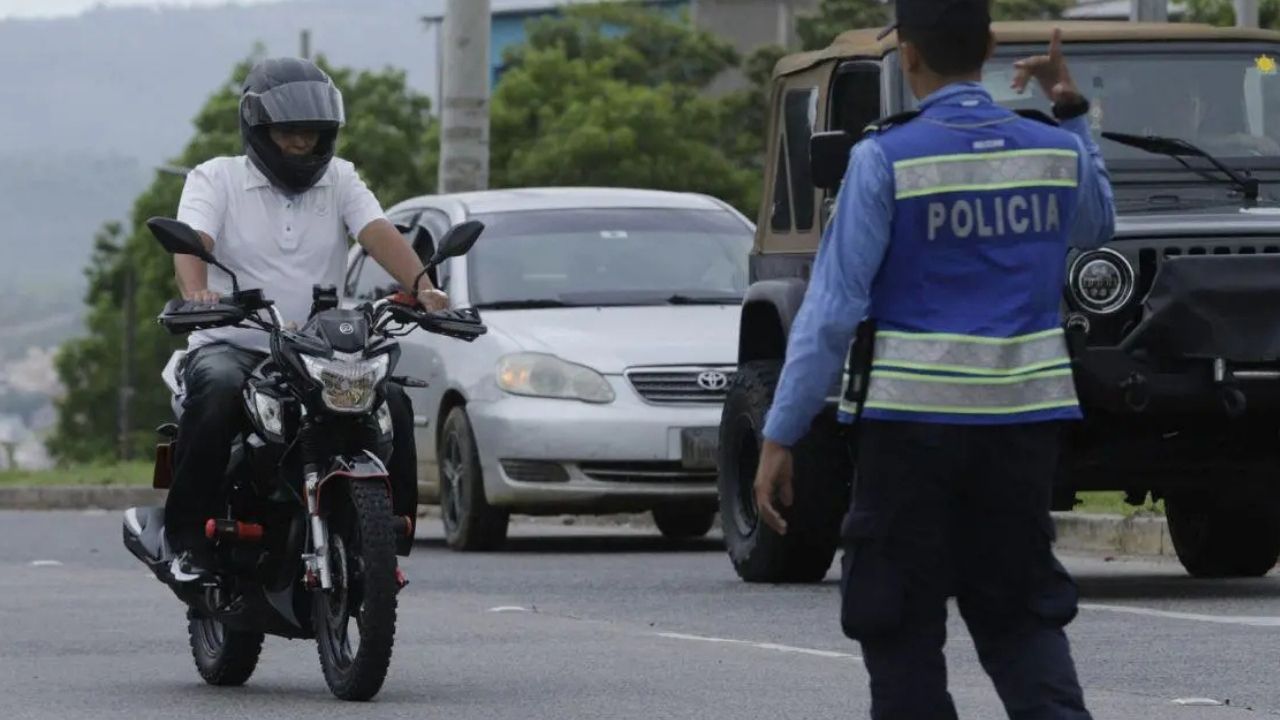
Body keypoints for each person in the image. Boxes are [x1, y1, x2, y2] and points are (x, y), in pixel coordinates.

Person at [752, 2, 1116, 718]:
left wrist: (781, 431)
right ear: (987, 46)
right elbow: (1097, 223)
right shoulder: (1055, 148)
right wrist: (1068, 105)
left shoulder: (884, 157)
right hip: (1022, 430)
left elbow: (832, 310)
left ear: (908, 57)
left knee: (898, 623)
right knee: (1021, 620)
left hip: (910, 433)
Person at [165, 57, 449, 583]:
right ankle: (185, 541)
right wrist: (197, 292)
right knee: (216, 393)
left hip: (318, 349)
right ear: (258, 127)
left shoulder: (340, 179)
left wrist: (424, 288)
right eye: (289, 131)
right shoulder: (217, 178)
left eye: (312, 133)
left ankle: (391, 532)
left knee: (393, 400)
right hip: (236, 341)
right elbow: (193, 243)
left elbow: (377, 232)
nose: (301, 143)